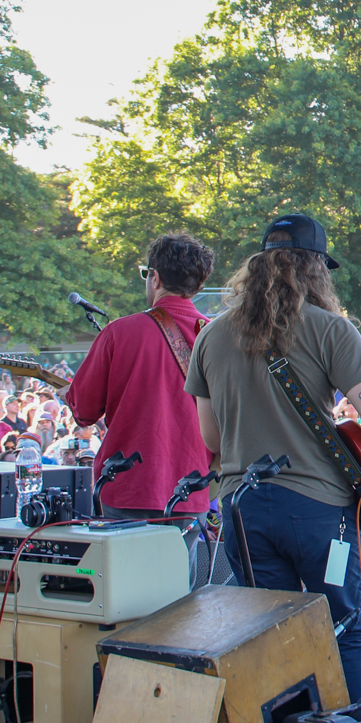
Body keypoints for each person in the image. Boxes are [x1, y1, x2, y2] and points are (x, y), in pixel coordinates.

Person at [186, 213, 361, 703]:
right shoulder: (330, 330)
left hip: (244, 509)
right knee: (346, 626)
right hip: (319, 511)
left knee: (270, 633)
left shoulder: (210, 336)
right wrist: (356, 445)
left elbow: (209, 436)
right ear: (316, 269)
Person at [64, 234, 216, 557]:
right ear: (198, 285)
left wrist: (71, 394)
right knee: (179, 599)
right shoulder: (218, 337)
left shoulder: (120, 332)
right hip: (193, 491)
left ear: (155, 278)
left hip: (127, 488)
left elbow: (84, 411)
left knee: (126, 600)